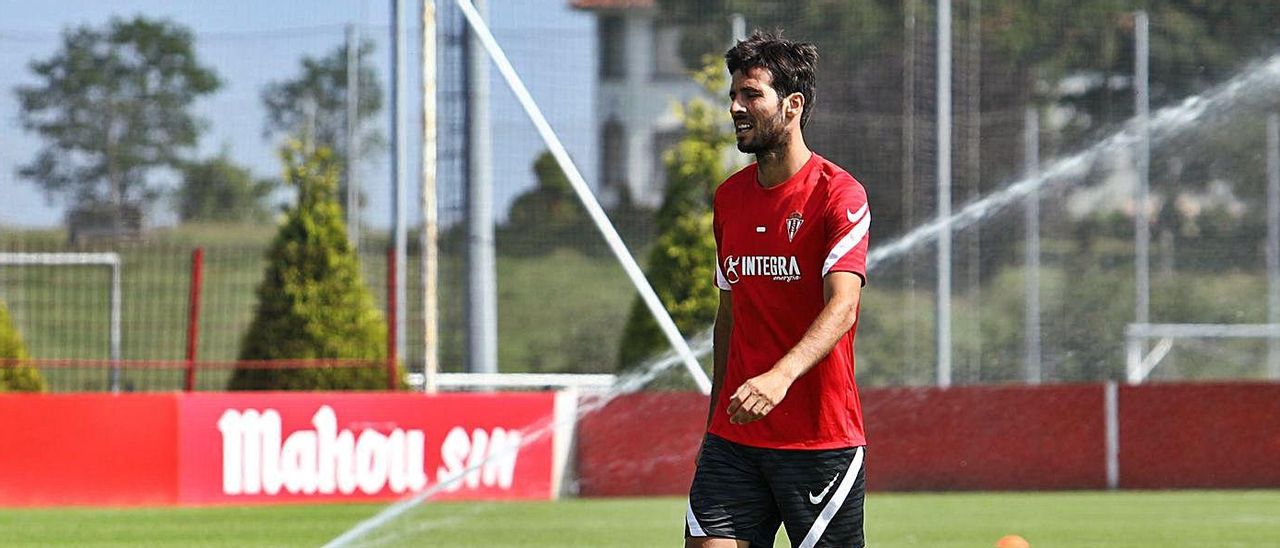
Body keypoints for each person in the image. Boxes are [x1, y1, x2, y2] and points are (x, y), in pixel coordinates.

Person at [685, 30, 871, 548]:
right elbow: (730, 317)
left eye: (751, 95)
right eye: (733, 96)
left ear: (792, 105)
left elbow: (844, 306)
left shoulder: (839, 194)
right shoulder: (729, 199)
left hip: (819, 440)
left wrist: (779, 377)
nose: (736, 108)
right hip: (734, 441)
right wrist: (713, 421)